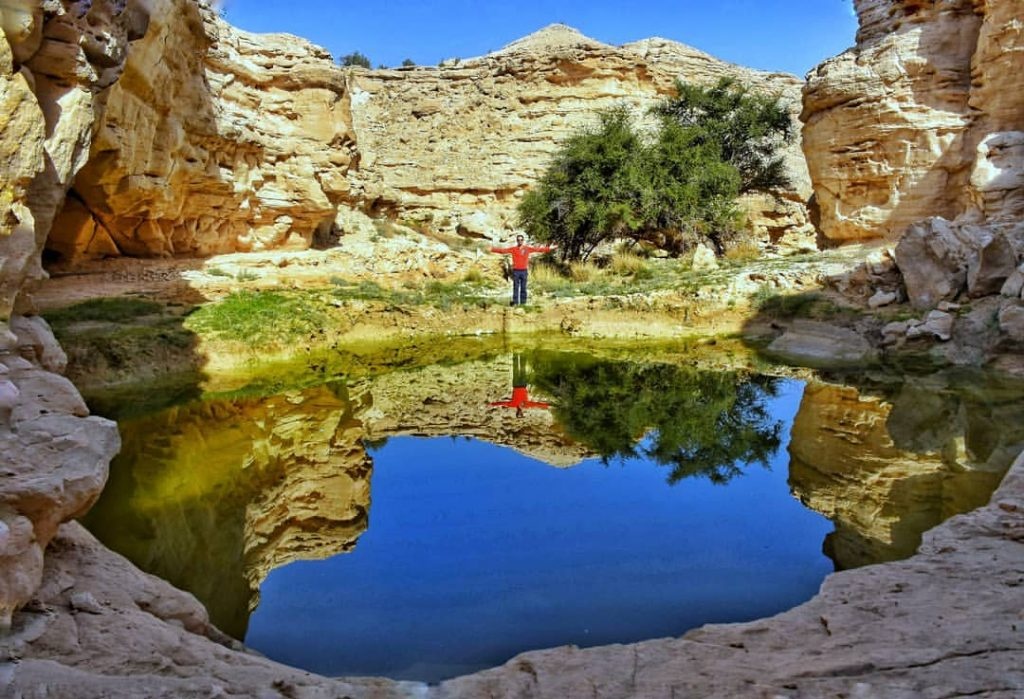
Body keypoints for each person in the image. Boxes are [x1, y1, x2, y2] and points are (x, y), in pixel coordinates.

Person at [490, 234, 557, 306]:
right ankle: (515, 302)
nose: (520, 241)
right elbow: (503, 251)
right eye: (518, 240)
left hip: (524, 271)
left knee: (523, 288)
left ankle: (523, 303)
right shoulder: (513, 249)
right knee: (516, 287)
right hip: (516, 271)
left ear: (523, 241)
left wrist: (549, 248)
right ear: (517, 241)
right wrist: (492, 249)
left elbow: (539, 250)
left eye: (521, 240)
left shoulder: (527, 249)